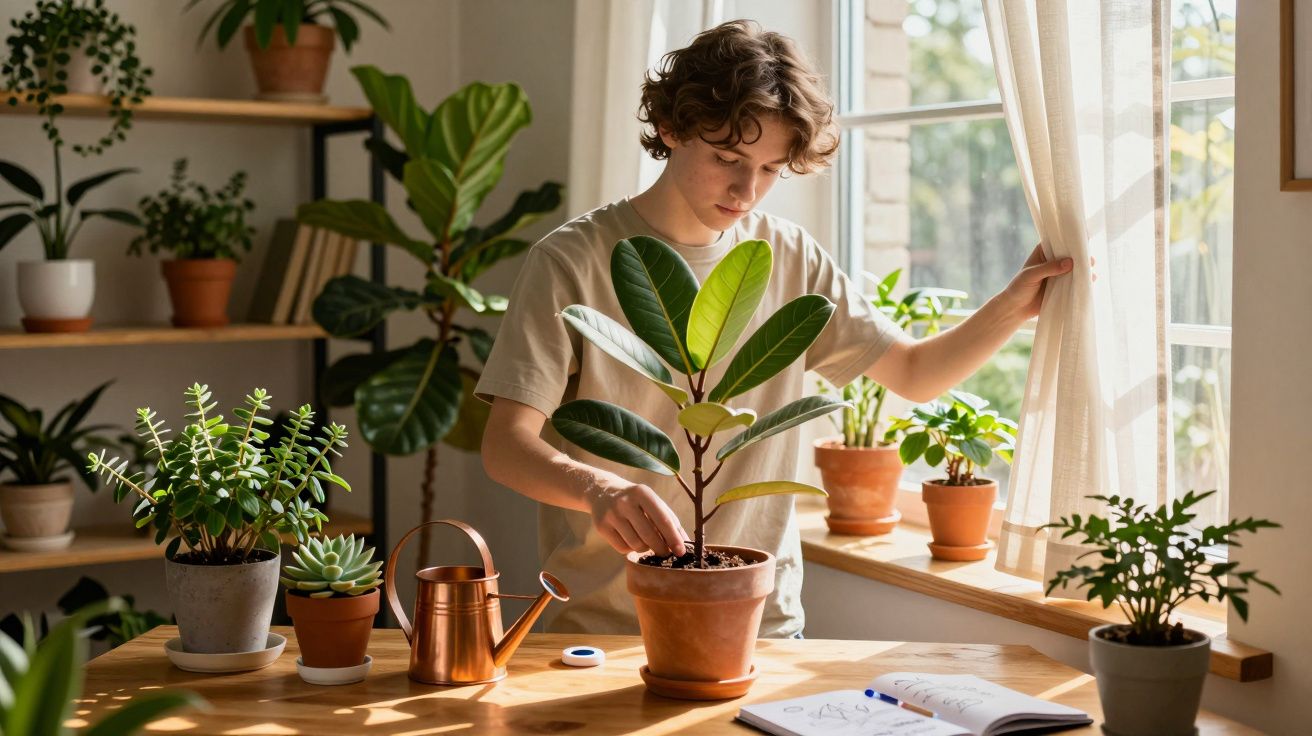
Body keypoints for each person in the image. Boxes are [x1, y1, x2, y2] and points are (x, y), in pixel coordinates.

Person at [475, 19, 1073, 638]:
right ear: (671, 128)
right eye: (727, 159)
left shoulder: (790, 257)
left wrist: (1012, 306)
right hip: (607, 624)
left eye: (770, 169)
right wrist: (597, 487)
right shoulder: (572, 260)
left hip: (761, 621)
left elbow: (914, 374)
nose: (747, 190)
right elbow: (505, 446)